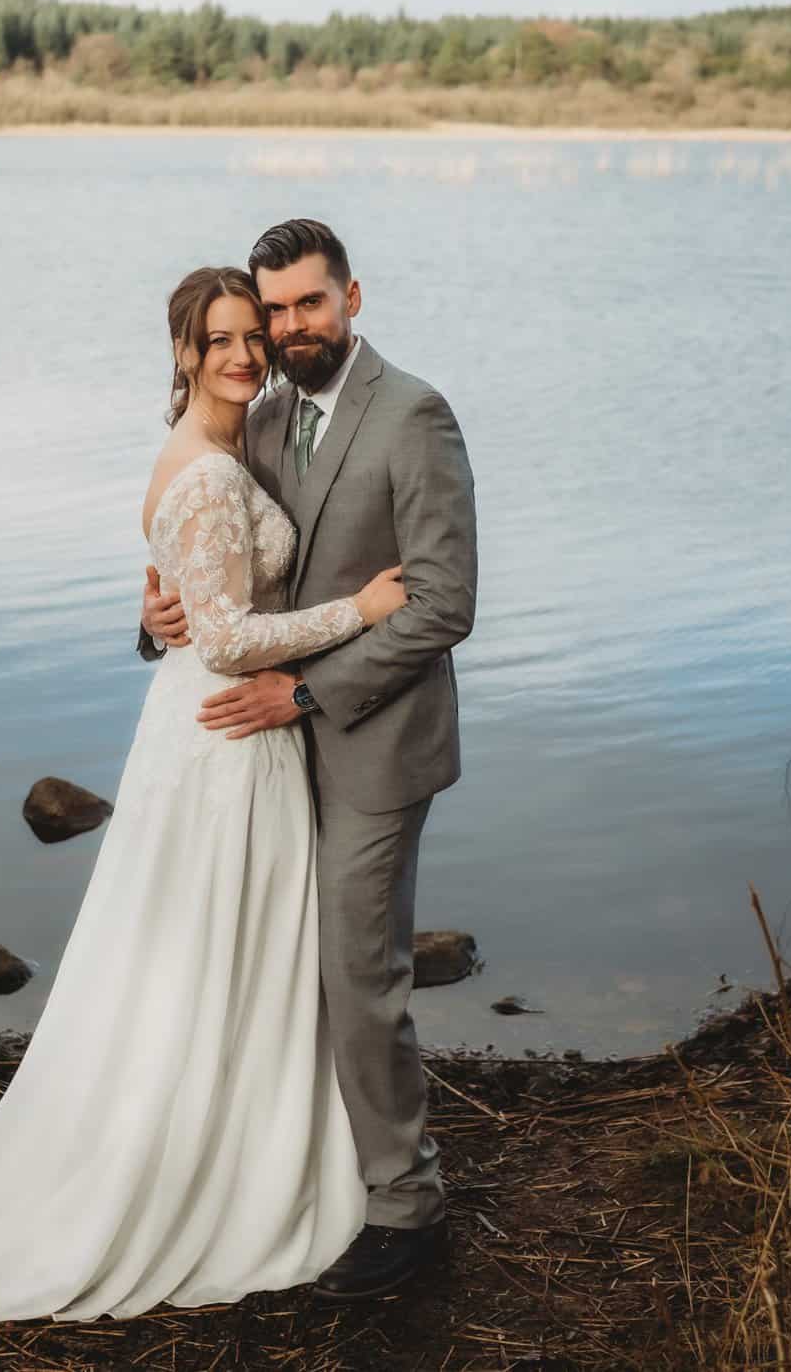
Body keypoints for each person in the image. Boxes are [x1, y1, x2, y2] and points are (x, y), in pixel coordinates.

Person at [0, 265, 410, 1323]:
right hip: (229, 736)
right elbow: (223, 639)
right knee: (212, 958)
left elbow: (188, 603)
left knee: (195, 958)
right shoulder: (210, 470)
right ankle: (212, 1177)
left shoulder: (222, 443)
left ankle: (235, 1146)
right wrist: (358, 610)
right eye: (219, 339)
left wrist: (157, 619)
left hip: (203, 729)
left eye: (252, 334)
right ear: (184, 352)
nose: (243, 354)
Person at [142, 219, 477, 1300]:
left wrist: (308, 691)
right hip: (268, 750)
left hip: (374, 740)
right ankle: (301, 1172)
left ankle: (406, 1206)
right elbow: (222, 570)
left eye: (307, 305)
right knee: (276, 963)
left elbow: (443, 604)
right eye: (273, 310)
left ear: (352, 298)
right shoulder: (264, 413)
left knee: (360, 975)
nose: (288, 329)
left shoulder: (414, 415)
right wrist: (158, 619)